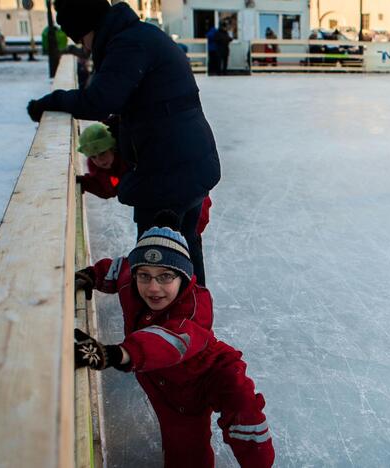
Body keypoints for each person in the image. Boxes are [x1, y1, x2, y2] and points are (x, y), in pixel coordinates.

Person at [26, 0, 220, 286]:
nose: (87, 48)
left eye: (82, 40)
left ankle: (169, 325)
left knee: (158, 259)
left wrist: (50, 102)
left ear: (88, 28)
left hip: (169, 171)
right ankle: (190, 320)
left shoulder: (128, 44)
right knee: (184, 248)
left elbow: (99, 101)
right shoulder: (140, 35)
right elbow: (152, 101)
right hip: (186, 160)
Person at [73, 215, 275, 468]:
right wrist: (91, 276)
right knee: (185, 452)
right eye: (144, 275)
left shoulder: (194, 309)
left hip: (209, 372)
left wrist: (116, 354)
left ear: (184, 278)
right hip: (167, 390)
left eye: (166, 276)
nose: (153, 287)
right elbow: (119, 269)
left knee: (244, 411)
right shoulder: (131, 279)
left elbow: (170, 341)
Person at [76, 123, 213, 238]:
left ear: (113, 148)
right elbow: (108, 188)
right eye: (93, 157)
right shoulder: (106, 169)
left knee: (186, 240)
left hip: (187, 197)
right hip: (161, 204)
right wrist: (85, 183)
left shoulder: (130, 160)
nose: (99, 160)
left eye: (102, 153)